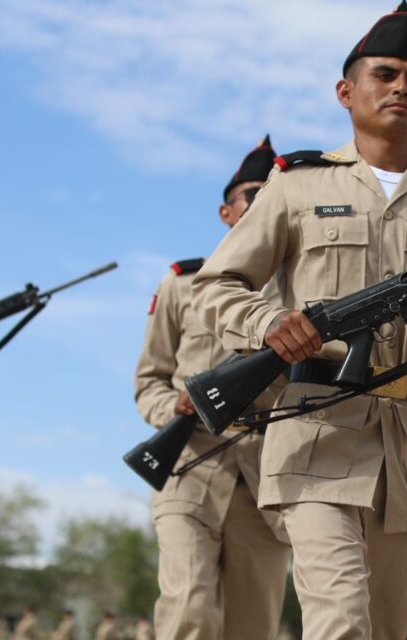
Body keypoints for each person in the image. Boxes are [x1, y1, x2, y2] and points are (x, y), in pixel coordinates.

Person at [192, 3, 407, 637]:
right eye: (385, 74)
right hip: (316, 431)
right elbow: (215, 287)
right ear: (347, 91)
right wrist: (268, 324)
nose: (402, 88)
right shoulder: (295, 184)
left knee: (384, 629)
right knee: (340, 621)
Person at [135, 136, 293, 640]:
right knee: (190, 611)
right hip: (190, 464)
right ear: (226, 211)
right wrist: (173, 406)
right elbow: (148, 380)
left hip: (266, 478)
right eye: (251, 193)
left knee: (254, 627)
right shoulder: (183, 284)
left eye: (273, 191)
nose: (260, 201)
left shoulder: (300, 296)